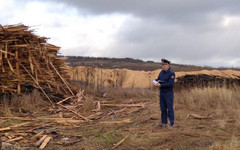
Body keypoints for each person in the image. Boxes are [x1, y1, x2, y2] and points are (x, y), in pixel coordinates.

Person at [153, 58, 175, 127]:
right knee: (163, 108)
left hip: (168, 93)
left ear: (168, 65)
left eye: (164, 65)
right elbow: (159, 79)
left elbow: (170, 84)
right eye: (162, 65)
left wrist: (161, 84)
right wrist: (155, 81)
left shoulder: (171, 73)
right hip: (162, 93)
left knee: (170, 108)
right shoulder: (161, 72)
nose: (163, 66)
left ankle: (171, 123)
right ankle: (164, 123)